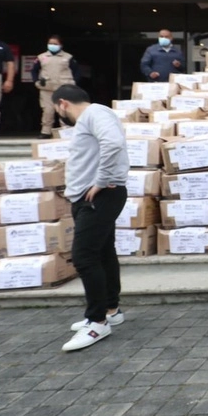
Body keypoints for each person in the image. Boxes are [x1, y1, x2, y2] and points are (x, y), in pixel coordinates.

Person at [52, 85, 129, 352]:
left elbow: (114, 143)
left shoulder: (95, 113)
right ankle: (111, 310)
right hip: (90, 197)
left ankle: (97, 322)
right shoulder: (91, 117)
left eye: (56, 110)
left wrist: (101, 180)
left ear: (62, 103)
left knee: (84, 257)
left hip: (98, 197)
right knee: (103, 252)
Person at [31, 35, 79, 139]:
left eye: (55, 44)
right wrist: (36, 82)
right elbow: (34, 70)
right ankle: (46, 132)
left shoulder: (68, 57)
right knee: (48, 111)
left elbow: (76, 71)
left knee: (64, 111)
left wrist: (74, 83)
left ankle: (66, 131)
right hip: (47, 89)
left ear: (61, 45)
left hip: (64, 89)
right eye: (50, 43)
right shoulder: (41, 57)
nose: (52, 45)